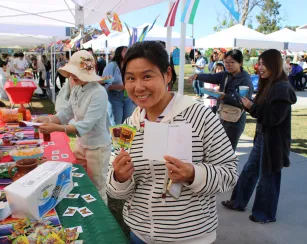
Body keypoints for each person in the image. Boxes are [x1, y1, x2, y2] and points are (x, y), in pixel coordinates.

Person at [106, 41, 238, 244]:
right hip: (139, 235)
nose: (138, 86)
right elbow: (115, 191)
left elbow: (229, 174)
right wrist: (119, 177)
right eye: (130, 78)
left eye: (147, 76)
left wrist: (193, 174)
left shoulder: (199, 116)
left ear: (167, 74)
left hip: (190, 238)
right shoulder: (128, 126)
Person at [221, 49, 297, 224]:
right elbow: (264, 112)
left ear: (274, 65)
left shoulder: (282, 88)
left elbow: (273, 117)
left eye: (263, 64)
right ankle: (238, 201)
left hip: (274, 142)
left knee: (268, 177)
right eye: (259, 63)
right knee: (249, 170)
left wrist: (252, 107)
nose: (259, 67)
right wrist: (249, 105)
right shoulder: (268, 84)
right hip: (263, 137)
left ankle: (265, 214)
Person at [34, 50, 111, 204]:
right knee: (80, 178)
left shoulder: (99, 93)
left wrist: (55, 128)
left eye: (76, 74)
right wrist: (48, 119)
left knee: (98, 186)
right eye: (71, 73)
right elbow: (66, 113)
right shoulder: (76, 88)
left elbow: (86, 125)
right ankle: (85, 208)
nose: (72, 77)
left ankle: (101, 216)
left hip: (97, 147)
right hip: (82, 143)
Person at [188, 49, 253, 151]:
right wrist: (197, 76)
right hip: (222, 116)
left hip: (234, 121)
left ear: (240, 63)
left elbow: (243, 103)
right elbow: (212, 77)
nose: (228, 65)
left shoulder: (245, 79)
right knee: (218, 151)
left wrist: (224, 96)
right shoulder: (226, 74)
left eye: (232, 62)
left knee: (228, 153)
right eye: (226, 62)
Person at [103, 46, 136, 125]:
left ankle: (124, 138)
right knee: (116, 124)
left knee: (128, 123)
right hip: (115, 97)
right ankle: (115, 138)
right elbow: (106, 84)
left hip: (128, 97)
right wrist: (122, 87)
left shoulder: (130, 65)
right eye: (125, 51)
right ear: (118, 53)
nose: (128, 52)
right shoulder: (112, 66)